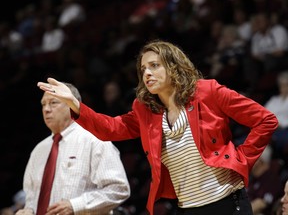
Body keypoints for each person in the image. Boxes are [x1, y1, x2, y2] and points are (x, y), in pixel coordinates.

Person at [37, 40, 278, 215]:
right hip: (189, 208)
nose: (147, 73)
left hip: (228, 202)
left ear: (173, 67)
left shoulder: (208, 91)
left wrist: (242, 159)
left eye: (154, 66)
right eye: (143, 69)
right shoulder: (146, 110)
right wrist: (74, 103)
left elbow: (266, 120)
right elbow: (109, 128)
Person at [16, 82, 130, 215]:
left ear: (72, 105)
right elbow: (31, 196)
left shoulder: (95, 140)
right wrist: (29, 210)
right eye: (43, 104)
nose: (46, 109)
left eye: (53, 102)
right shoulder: (39, 150)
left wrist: (75, 206)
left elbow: (118, 189)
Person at [247, 145, 283, 215]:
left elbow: (261, 204)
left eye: (252, 158)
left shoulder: (272, 180)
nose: (248, 161)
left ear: (260, 161)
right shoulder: (252, 178)